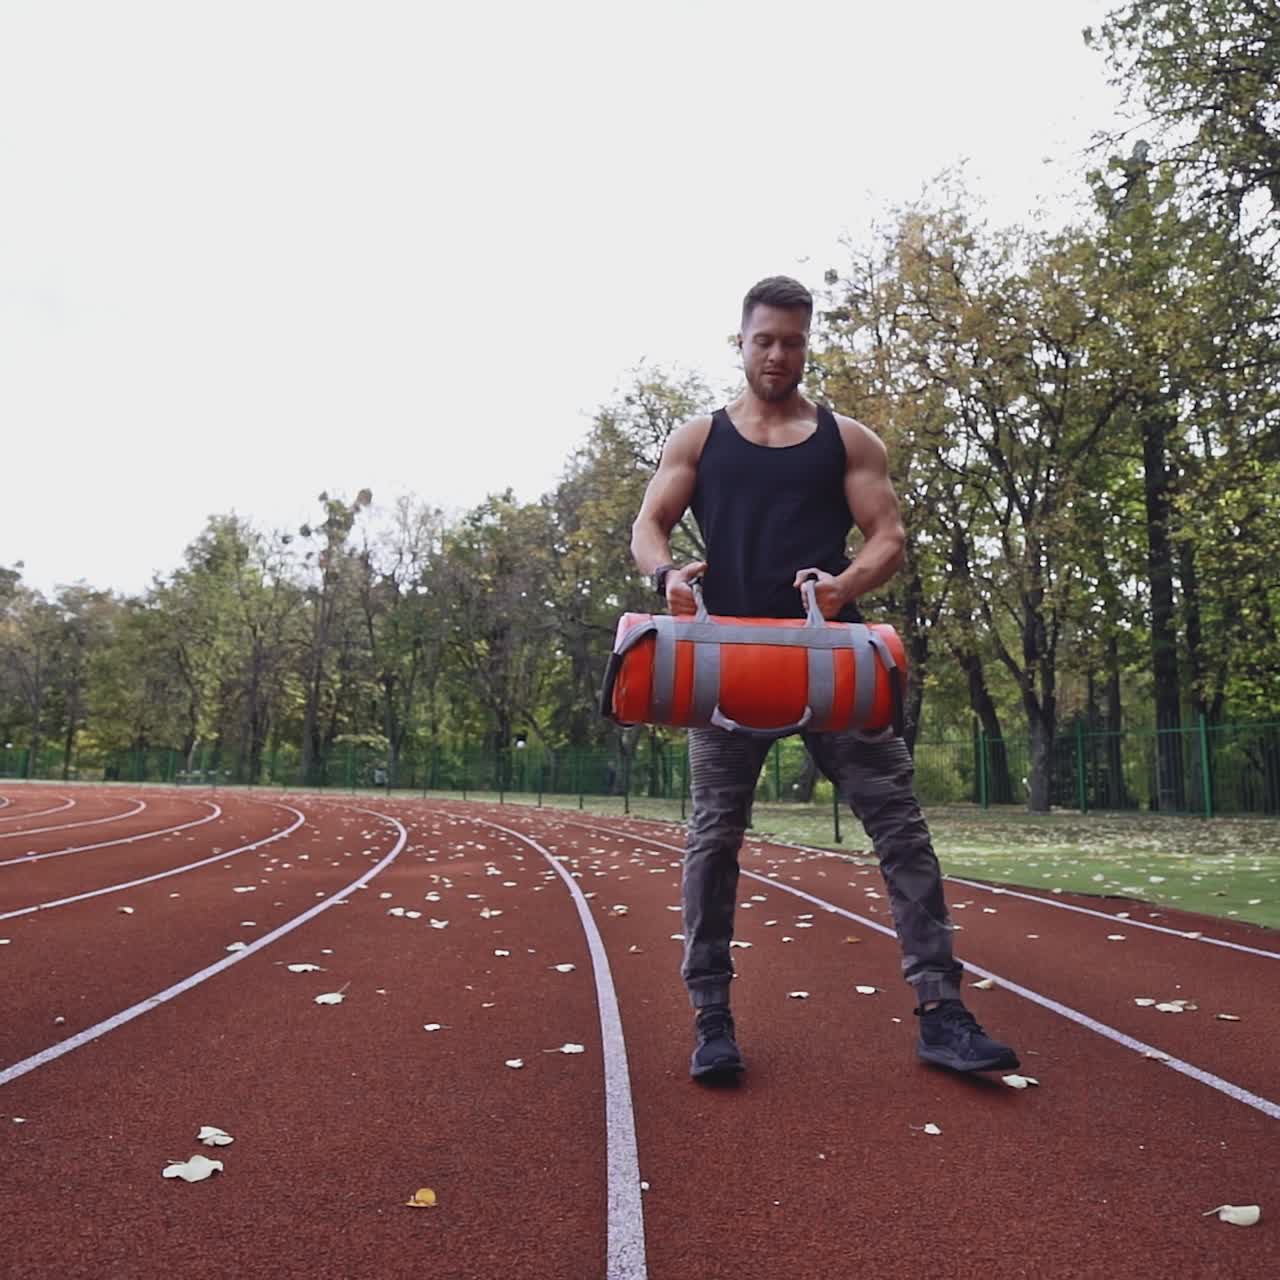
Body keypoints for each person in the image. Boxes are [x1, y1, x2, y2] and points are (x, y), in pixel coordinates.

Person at [629, 275, 1019, 1081]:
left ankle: (942, 1012)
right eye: (765, 339)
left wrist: (845, 586)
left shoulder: (849, 442)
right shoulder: (698, 439)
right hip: (727, 663)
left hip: (829, 661)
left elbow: (888, 536)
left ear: (809, 344)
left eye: (793, 340)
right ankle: (713, 1020)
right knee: (713, 840)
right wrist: (665, 574)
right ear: (739, 342)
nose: (779, 353)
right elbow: (649, 524)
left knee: (901, 829)